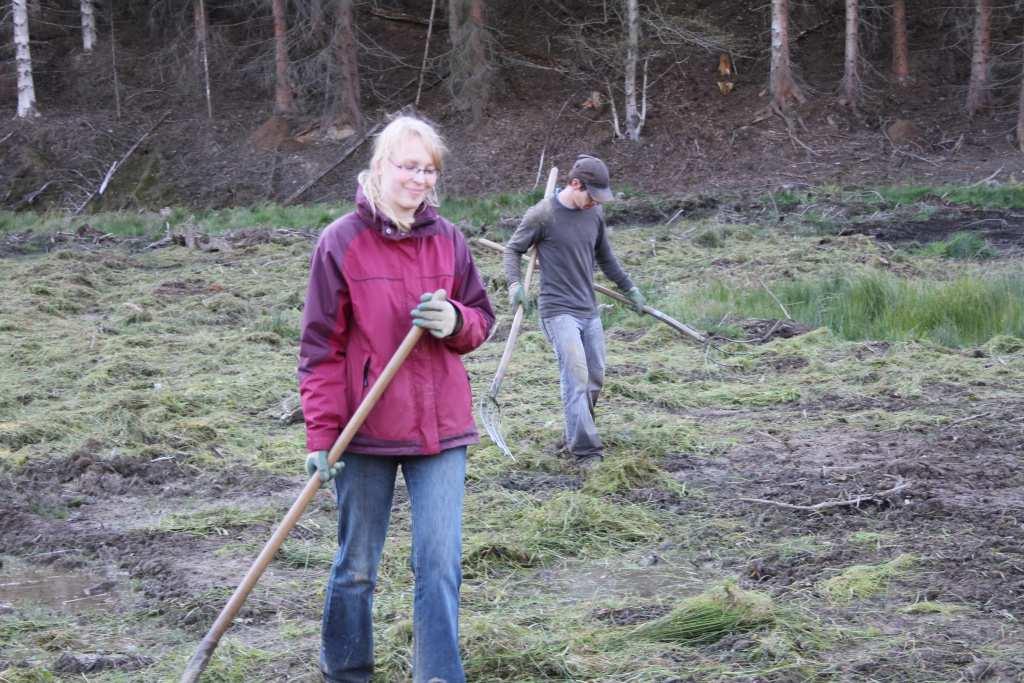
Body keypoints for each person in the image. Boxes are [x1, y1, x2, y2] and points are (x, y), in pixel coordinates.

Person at [297, 115, 495, 683]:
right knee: (357, 565)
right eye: (408, 166)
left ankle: (437, 675)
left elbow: (482, 320)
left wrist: (455, 319)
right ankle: (347, 670)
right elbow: (320, 349)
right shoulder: (340, 242)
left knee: (438, 564)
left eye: (429, 170)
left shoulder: (449, 239)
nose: (419, 179)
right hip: (366, 430)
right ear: (380, 166)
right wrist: (321, 437)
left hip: (441, 428)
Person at [502, 154, 645, 470]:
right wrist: (515, 285)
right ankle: (585, 451)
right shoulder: (543, 215)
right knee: (576, 377)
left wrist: (629, 288)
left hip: (588, 309)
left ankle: (576, 431)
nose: (595, 203)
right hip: (557, 311)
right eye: (591, 196)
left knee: (595, 376)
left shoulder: (594, 215)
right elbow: (512, 250)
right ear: (575, 184)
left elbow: (606, 259)